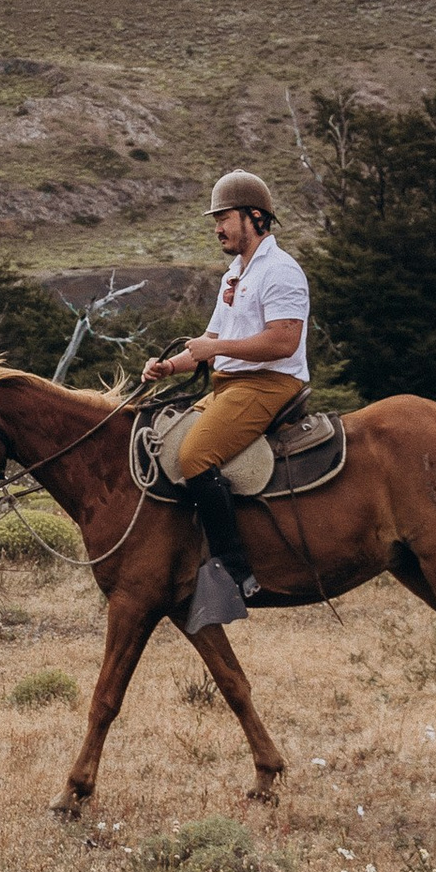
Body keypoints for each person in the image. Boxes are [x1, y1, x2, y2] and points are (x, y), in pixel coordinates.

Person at [138, 170, 310, 632]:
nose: (217, 228)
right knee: (166, 442)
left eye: (225, 218)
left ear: (255, 217)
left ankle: (237, 569)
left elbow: (283, 343)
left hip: (269, 384)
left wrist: (215, 351)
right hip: (228, 386)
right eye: (216, 219)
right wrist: (168, 366)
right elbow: (213, 337)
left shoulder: (281, 270)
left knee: (195, 455)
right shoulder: (235, 273)